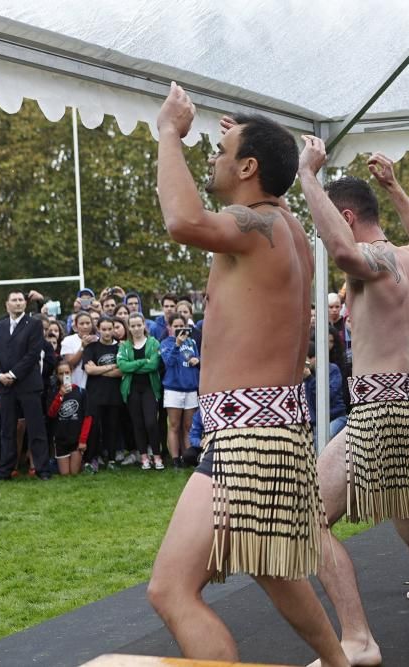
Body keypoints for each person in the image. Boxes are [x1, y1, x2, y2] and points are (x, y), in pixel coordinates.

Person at [146, 85, 346, 666]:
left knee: (172, 589)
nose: (211, 155)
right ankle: (339, 662)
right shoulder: (282, 227)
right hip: (271, 430)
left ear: (249, 168)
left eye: (222, 149)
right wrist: (249, 142)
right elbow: (243, 186)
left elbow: (182, 219)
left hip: (248, 437)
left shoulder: (251, 224)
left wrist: (168, 133)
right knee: (271, 567)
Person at [300, 139, 409, 664]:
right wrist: (394, 185)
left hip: (381, 410)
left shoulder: (377, 260)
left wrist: (306, 176)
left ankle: (358, 639)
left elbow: (342, 251)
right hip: (408, 406)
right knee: (403, 501)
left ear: (345, 216)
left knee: (308, 515)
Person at [0, 291, 51, 482]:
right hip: (5, 387)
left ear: (25, 304)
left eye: (20, 300)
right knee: (7, 429)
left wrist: (13, 374)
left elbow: (33, 354)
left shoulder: (34, 324)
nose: (17, 303)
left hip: (28, 384)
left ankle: (42, 469)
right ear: (7, 304)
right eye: (14, 300)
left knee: (36, 428)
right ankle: (5, 471)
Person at [118, 313, 163, 470]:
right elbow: (123, 366)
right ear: (129, 328)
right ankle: (143, 457)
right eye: (133, 326)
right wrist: (143, 361)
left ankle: (157, 456)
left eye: (139, 325)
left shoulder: (153, 343)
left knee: (151, 423)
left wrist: (133, 366)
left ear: (144, 325)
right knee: (137, 424)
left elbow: (153, 366)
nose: (136, 328)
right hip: (132, 390)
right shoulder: (124, 346)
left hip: (149, 388)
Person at [82, 317, 123, 470]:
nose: (107, 332)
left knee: (112, 427)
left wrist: (99, 371)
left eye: (109, 329)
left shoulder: (120, 348)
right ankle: (91, 459)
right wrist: (112, 366)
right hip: (95, 395)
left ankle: (111, 459)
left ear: (114, 329)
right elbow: (89, 370)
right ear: (98, 329)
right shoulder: (91, 347)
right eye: (103, 329)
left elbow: (122, 372)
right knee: (93, 428)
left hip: (114, 394)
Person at [159, 314, 200, 468]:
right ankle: (175, 459)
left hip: (190, 388)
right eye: (175, 326)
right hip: (174, 388)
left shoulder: (192, 342)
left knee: (188, 425)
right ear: (169, 327)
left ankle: (188, 456)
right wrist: (177, 344)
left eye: (181, 326)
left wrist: (198, 360)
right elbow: (168, 362)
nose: (179, 329)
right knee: (175, 425)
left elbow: (197, 358)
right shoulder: (165, 343)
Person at [47, 361, 91, 475]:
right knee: (65, 474)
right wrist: (60, 395)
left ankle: (84, 462)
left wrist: (83, 441)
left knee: (74, 473)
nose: (64, 376)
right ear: (57, 375)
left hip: (76, 439)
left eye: (67, 372)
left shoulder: (81, 392)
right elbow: (51, 414)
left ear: (71, 373)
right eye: (61, 373)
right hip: (61, 439)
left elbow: (87, 417)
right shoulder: (53, 392)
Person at [303, 339, 346, 446]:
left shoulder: (332, 370)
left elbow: (327, 395)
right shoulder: (303, 375)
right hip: (314, 423)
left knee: (321, 442)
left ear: (314, 358)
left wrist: (309, 378)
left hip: (336, 417)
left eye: (306, 361)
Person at [61, 312, 97, 389]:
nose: (85, 326)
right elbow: (71, 363)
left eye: (88, 323)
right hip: (75, 384)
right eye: (82, 323)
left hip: (94, 385)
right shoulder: (68, 340)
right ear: (76, 326)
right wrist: (82, 347)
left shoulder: (97, 340)